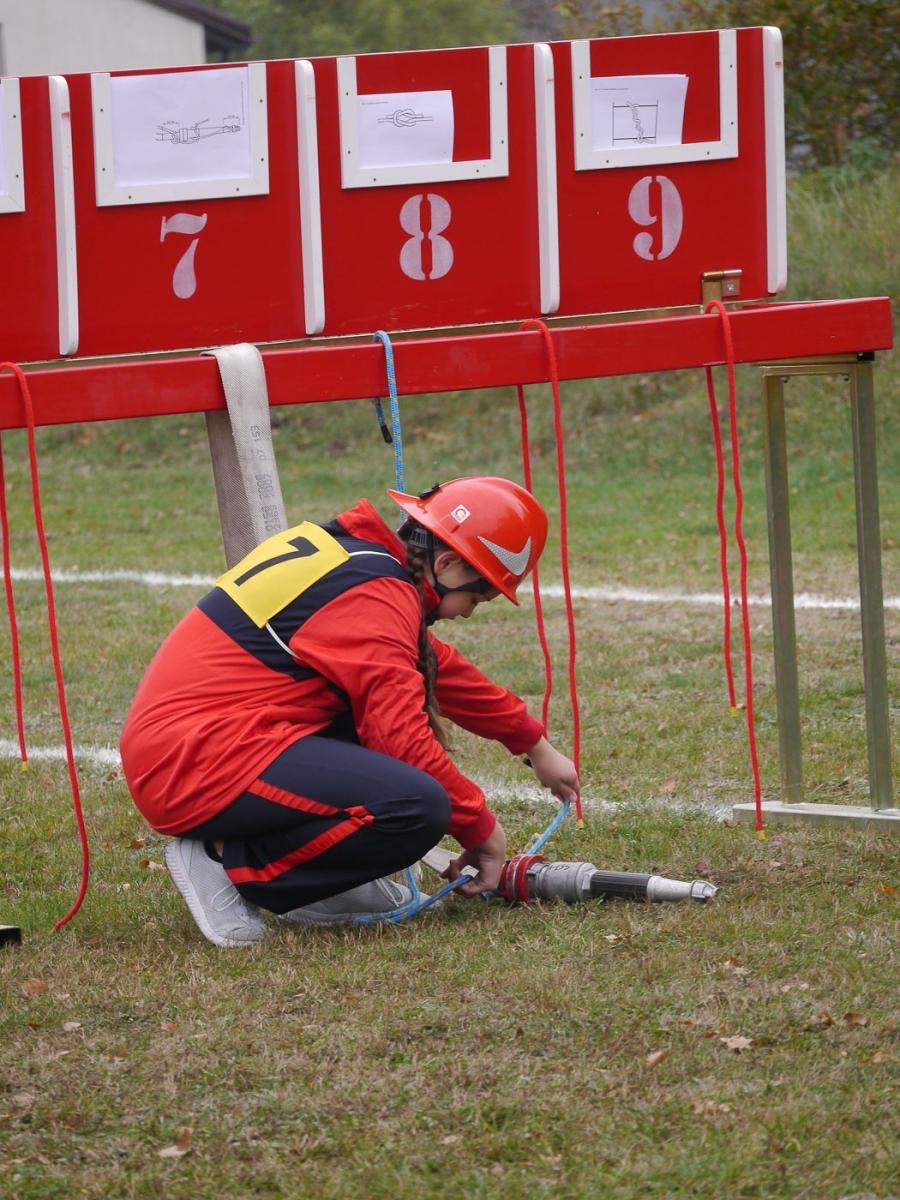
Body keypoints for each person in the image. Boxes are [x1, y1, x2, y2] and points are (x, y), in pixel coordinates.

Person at [120, 476, 581, 947]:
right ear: (447, 563)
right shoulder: (375, 592)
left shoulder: (362, 562)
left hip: (204, 745)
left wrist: (532, 742)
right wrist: (481, 827)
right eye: (478, 597)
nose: (468, 612)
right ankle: (226, 861)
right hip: (192, 762)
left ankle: (326, 882)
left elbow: (430, 664)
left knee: (395, 777)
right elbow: (401, 739)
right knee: (418, 807)